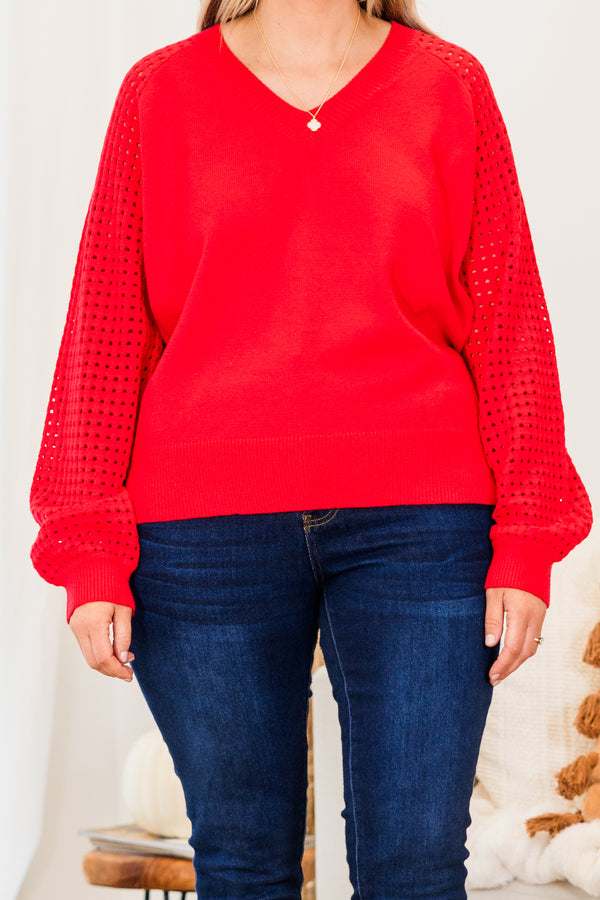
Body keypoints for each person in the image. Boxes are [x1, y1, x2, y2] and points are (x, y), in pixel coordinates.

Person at [28, 0, 593, 897]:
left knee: (414, 867)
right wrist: (89, 546)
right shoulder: (158, 94)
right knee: (242, 863)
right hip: (203, 534)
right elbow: (107, 328)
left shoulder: (449, 87)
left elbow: (510, 322)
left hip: (424, 525)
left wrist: (526, 535)